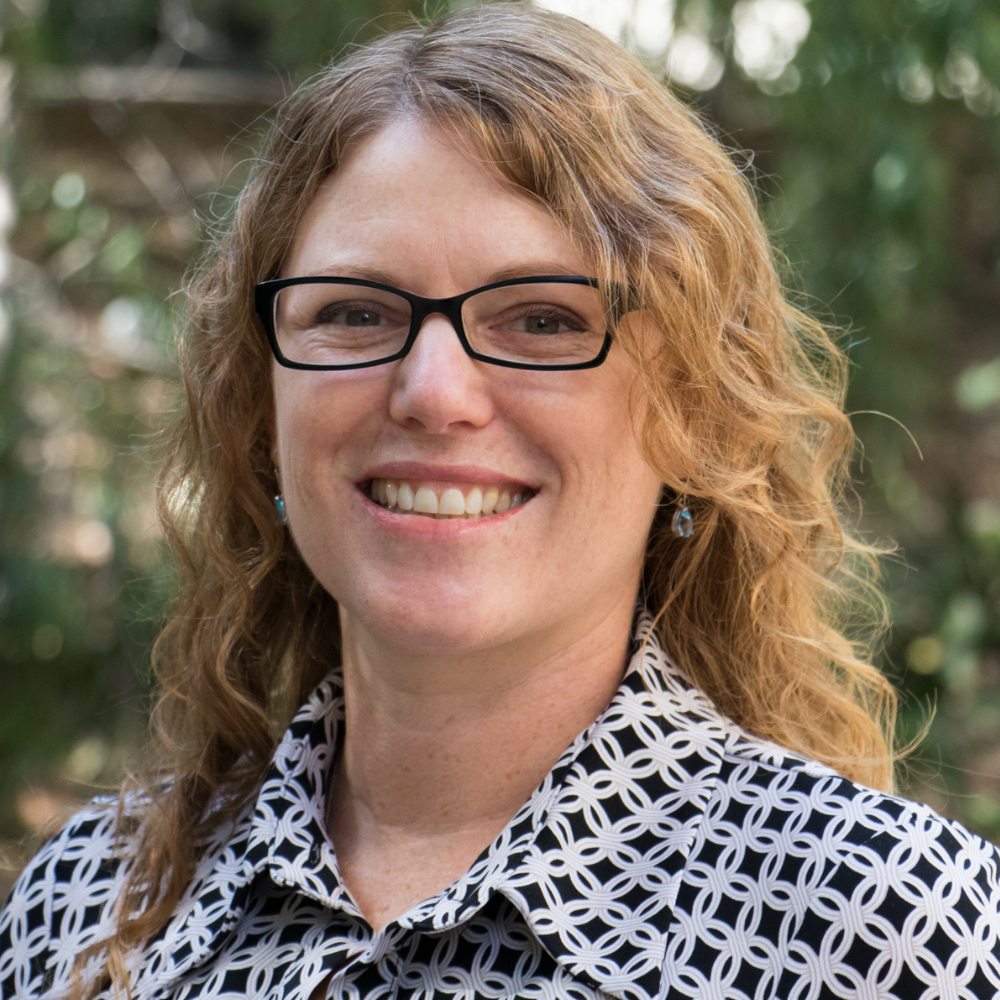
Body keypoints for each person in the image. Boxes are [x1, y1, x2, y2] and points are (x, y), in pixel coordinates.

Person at [2, 4, 999, 998]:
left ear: (693, 410)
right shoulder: (89, 907)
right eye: (354, 312)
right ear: (260, 408)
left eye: (541, 318)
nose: (433, 392)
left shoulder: (874, 927)